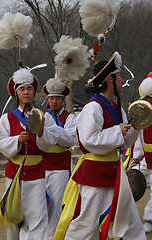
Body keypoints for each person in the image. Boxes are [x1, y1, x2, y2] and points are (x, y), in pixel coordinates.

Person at [53, 52, 147, 240]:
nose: (122, 80)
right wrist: (117, 131)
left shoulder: (116, 107)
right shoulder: (93, 107)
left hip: (115, 173)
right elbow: (89, 140)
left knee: (130, 223)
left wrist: (137, 126)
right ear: (110, 80)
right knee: (86, 226)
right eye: (120, 76)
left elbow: (124, 142)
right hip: (95, 174)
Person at [0, 68, 68, 240]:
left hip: (37, 173)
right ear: (16, 93)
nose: (26, 92)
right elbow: (1, 141)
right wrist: (17, 140)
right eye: (22, 89)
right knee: (13, 215)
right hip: (15, 173)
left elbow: (50, 141)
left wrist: (41, 132)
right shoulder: (7, 118)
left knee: (37, 216)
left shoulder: (44, 117)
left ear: (34, 92)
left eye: (29, 89)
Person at [42, 77, 77, 240]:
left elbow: (70, 140)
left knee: (56, 206)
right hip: (42, 166)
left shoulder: (70, 118)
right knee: (42, 205)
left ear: (63, 99)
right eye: (51, 98)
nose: (53, 101)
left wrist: (52, 128)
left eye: (57, 98)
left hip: (61, 167)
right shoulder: (41, 116)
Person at [133, 75, 152, 233]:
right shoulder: (143, 113)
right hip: (147, 159)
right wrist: (137, 155)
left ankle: (149, 218)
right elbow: (139, 137)